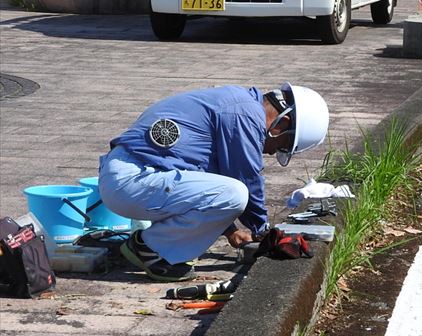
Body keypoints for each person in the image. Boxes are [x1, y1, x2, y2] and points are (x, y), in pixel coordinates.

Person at [98, 83, 329, 282]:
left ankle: (155, 244)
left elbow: (201, 180)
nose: (271, 153)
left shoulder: (238, 103)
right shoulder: (245, 116)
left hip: (130, 176)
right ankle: (149, 248)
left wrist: (230, 231)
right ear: (281, 124)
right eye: (281, 146)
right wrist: (263, 232)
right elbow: (247, 177)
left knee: (229, 191)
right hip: (132, 180)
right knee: (236, 192)